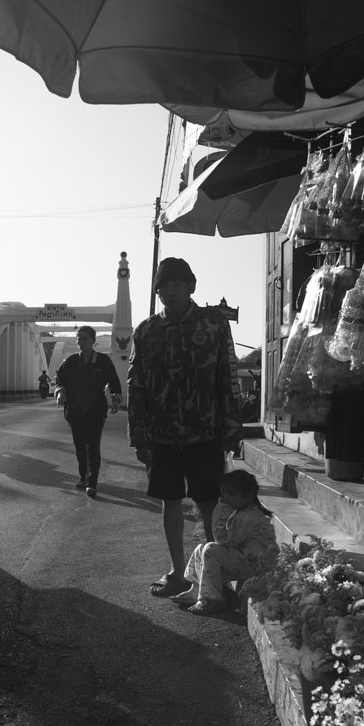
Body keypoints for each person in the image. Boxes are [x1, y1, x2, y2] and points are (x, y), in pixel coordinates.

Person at [126, 256, 241, 598]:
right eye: (162, 286)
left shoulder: (214, 324)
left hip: (205, 430)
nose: (168, 292)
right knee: (170, 499)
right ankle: (178, 572)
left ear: (191, 287)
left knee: (208, 502)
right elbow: (137, 385)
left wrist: (232, 425)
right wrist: (139, 435)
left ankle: (212, 572)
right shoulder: (145, 331)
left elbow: (228, 374)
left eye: (175, 285)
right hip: (162, 434)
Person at [173, 469, 276, 615]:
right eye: (223, 494)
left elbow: (222, 540)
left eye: (231, 494)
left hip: (256, 565)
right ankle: (196, 589)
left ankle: (212, 598)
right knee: (201, 547)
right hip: (245, 559)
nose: (225, 498)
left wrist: (220, 509)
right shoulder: (241, 512)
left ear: (248, 496)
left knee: (210, 549)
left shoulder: (250, 517)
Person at [55, 325, 123, 497]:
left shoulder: (103, 361)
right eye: (79, 338)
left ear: (93, 341)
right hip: (74, 410)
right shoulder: (70, 361)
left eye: (85, 338)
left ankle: (92, 482)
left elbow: (113, 381)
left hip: (95, 410)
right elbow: (59, 380)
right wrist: (60, 392)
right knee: (79, 445)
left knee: (92, 445)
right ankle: (83, 476)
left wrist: (115, 399)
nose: (81, 341)